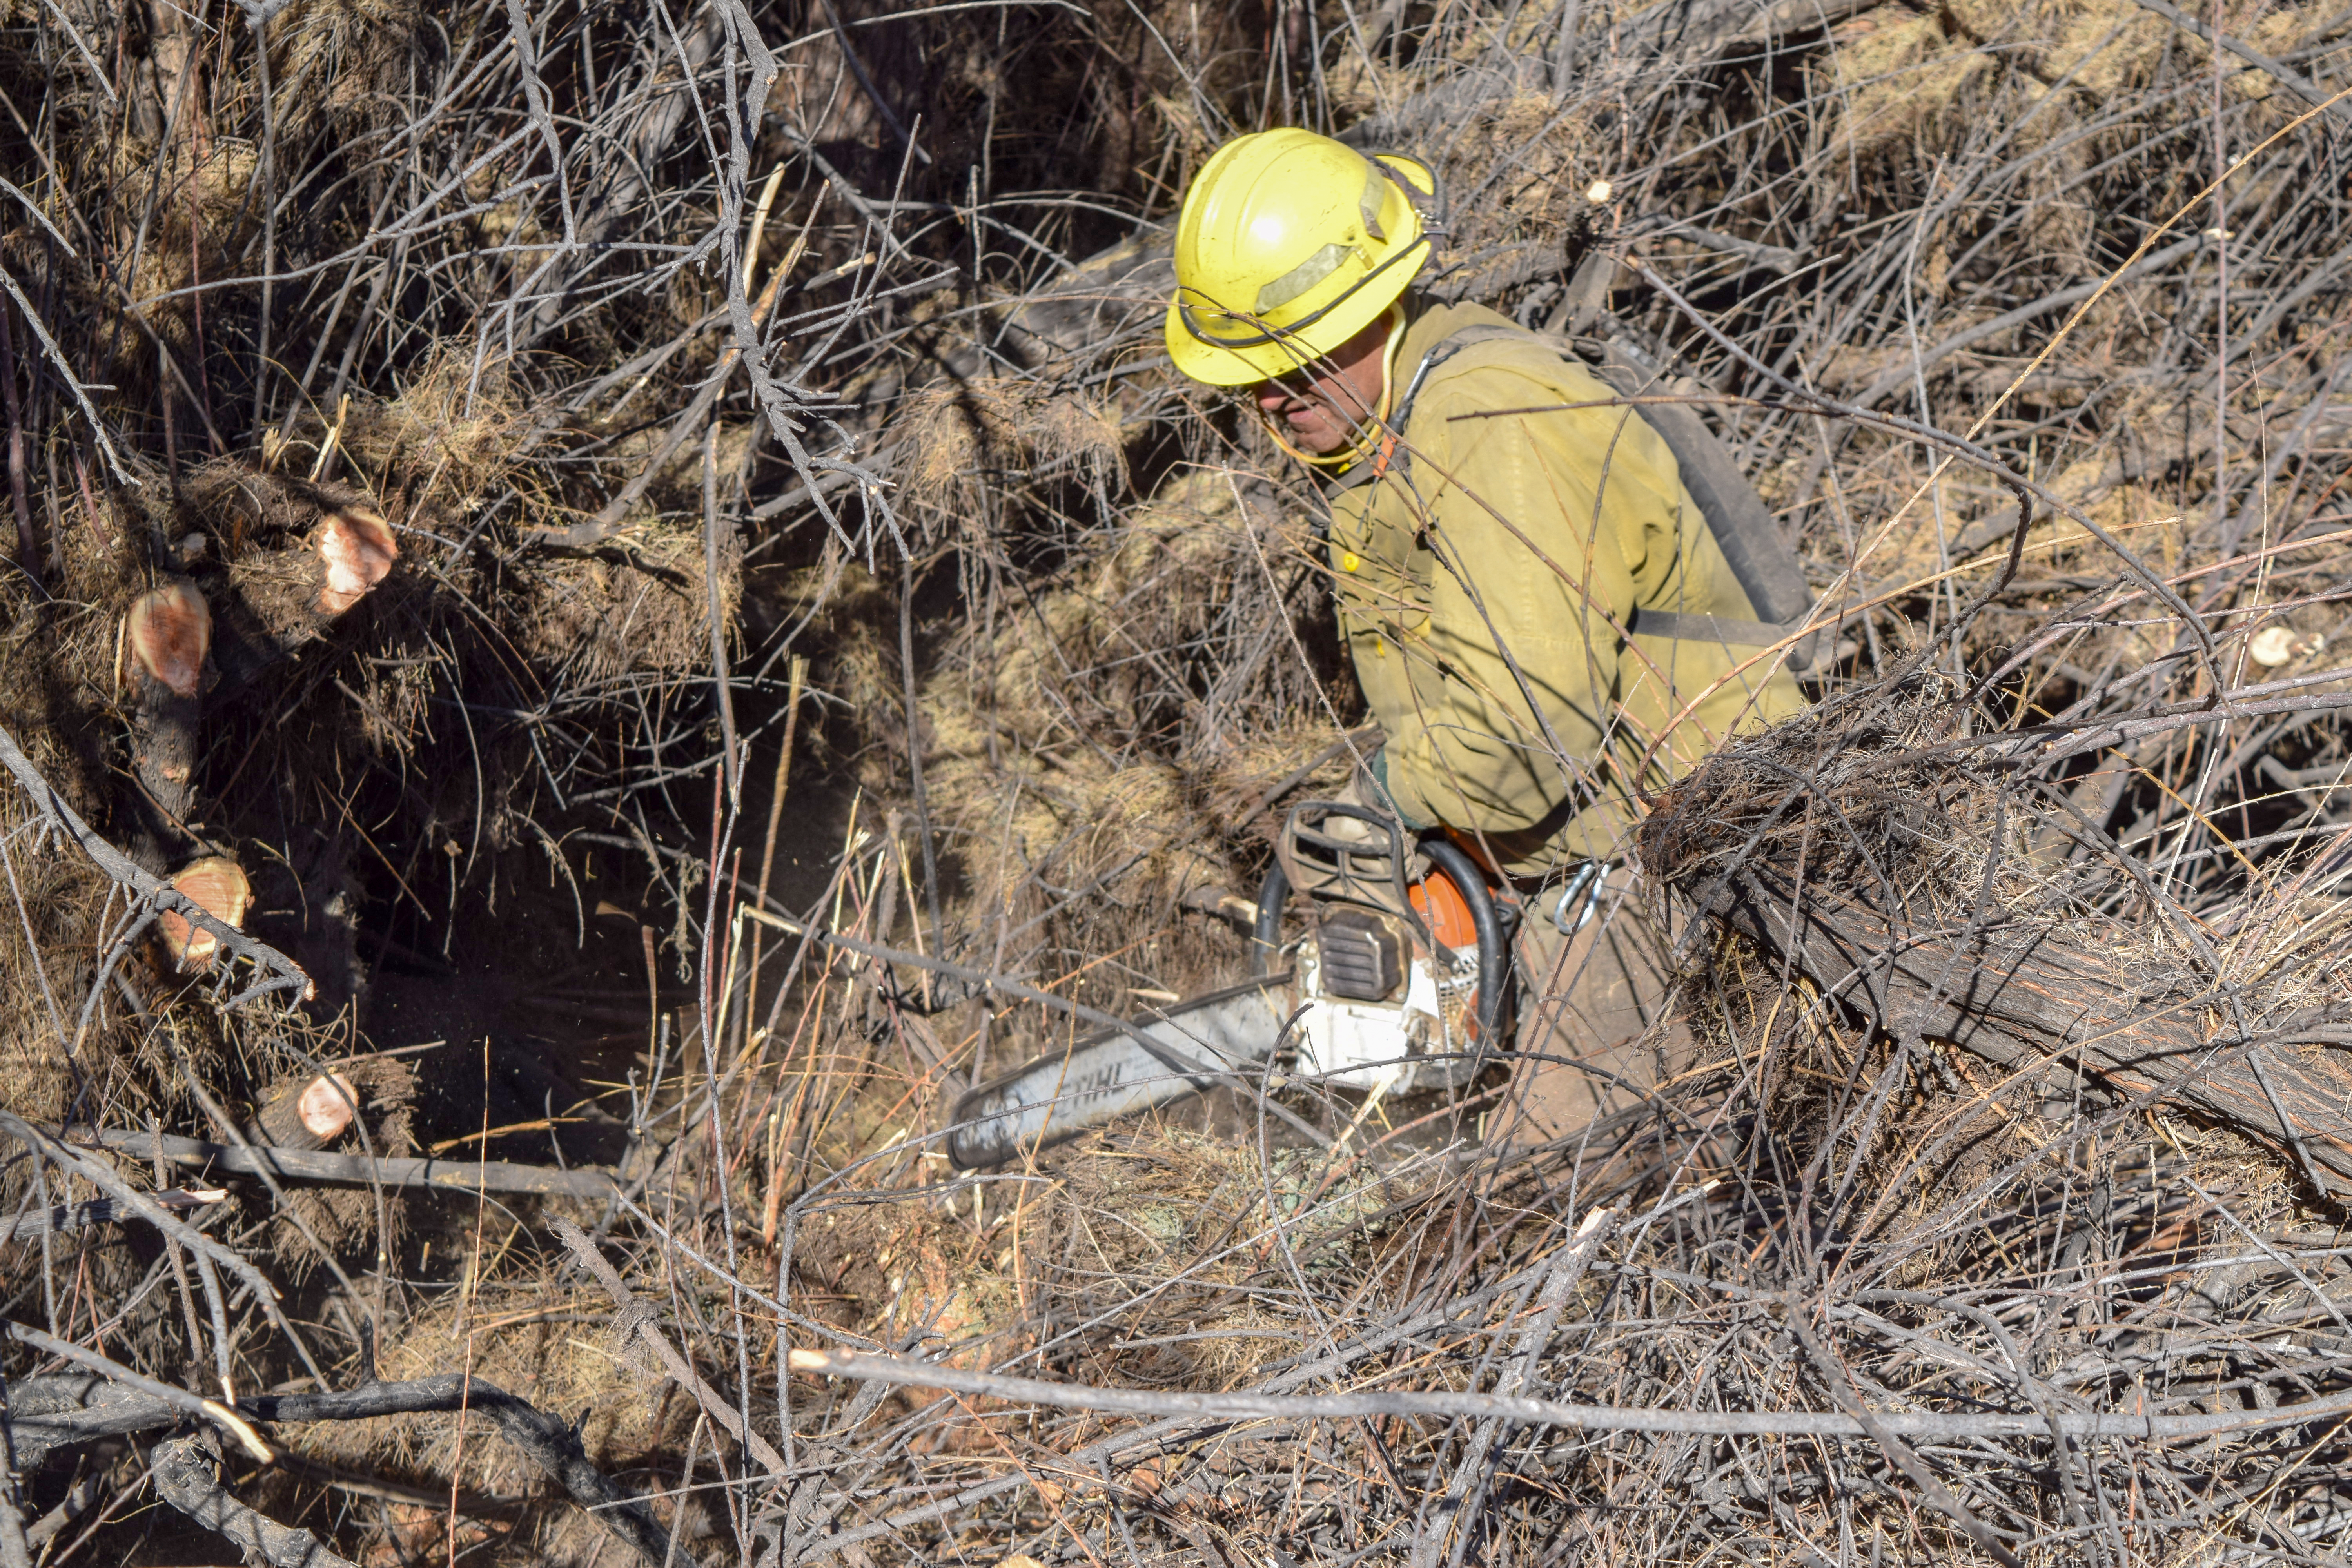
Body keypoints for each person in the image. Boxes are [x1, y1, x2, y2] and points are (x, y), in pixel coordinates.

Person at [1162, 127, 1811, 1145]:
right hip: (1584, 864)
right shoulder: (1387, 439)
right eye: (1251, 372)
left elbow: (1526, 734)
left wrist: (1385, 800)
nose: (1272, 397)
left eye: (1295, 355)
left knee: (1520, 1214)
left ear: (1375, 299)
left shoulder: (1483, 416)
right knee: (1408, 1162)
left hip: (1698, 856)